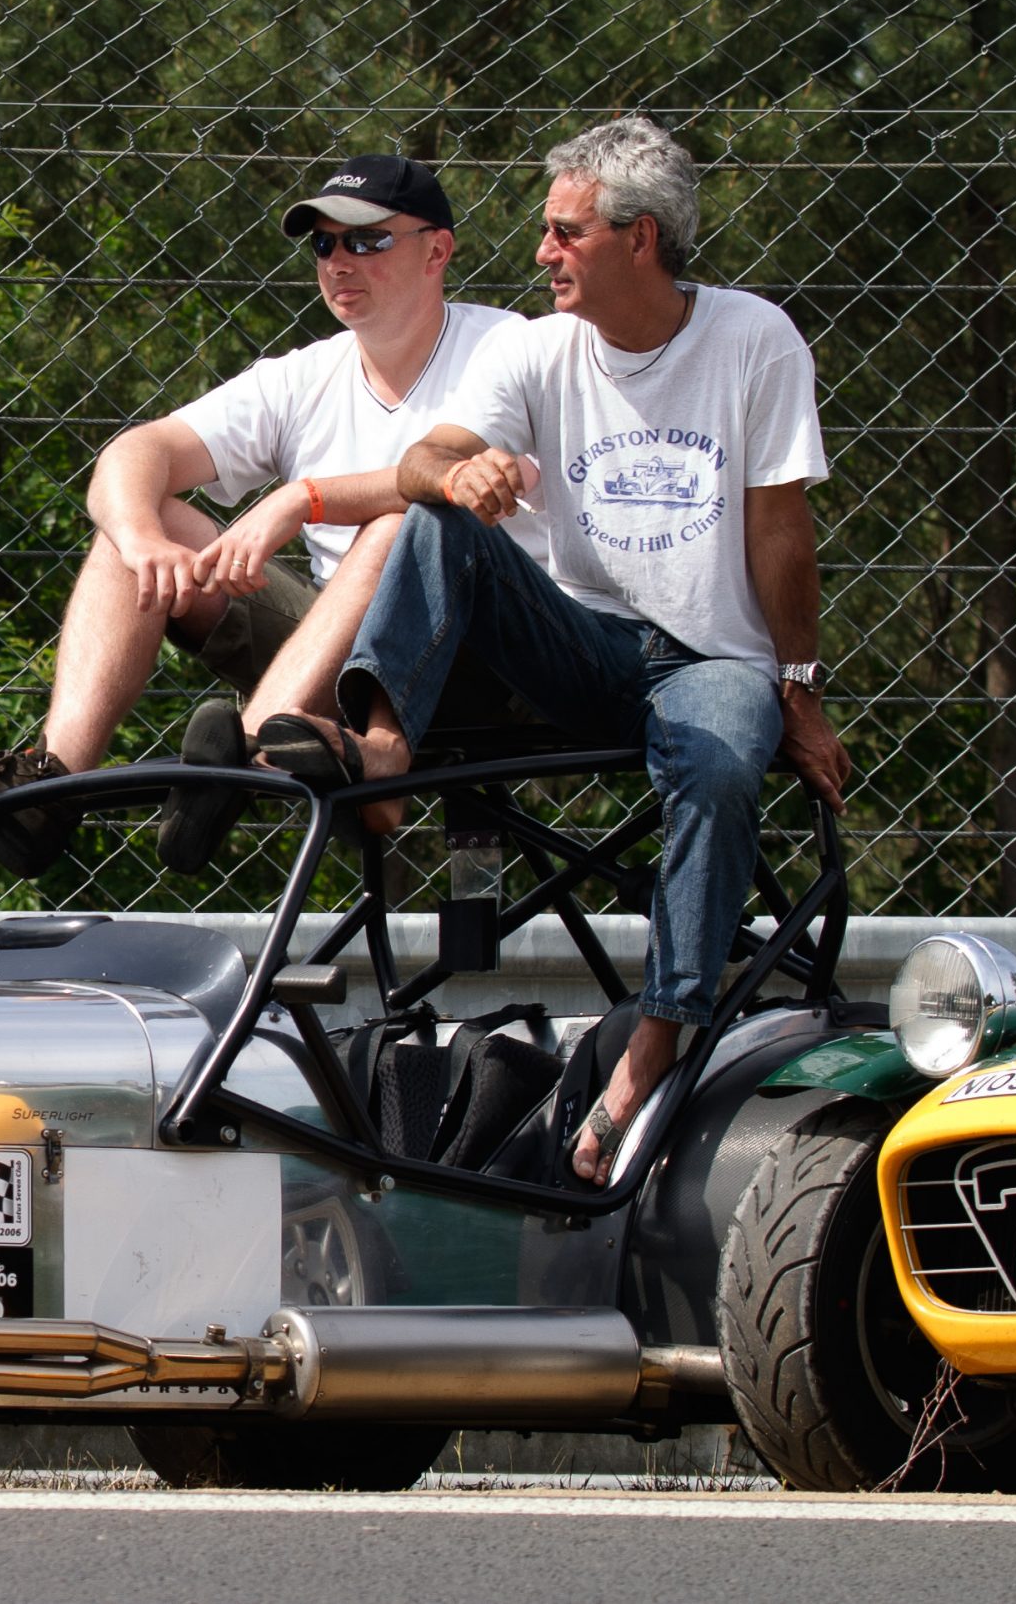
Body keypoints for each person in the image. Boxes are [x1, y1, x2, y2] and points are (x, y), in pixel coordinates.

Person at [256, 115, 850, 1184]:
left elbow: (778, 532)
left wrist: (797, 693)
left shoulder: (753, 339)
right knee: (438, 520)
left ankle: (657, 1035)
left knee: (717, 764)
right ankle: (382, 746)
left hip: (713, 661)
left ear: (642, 238)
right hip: (584, 646)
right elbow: (430, 453)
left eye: (564, 232)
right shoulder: (536, 348)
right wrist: (455, 473)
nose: (541, 253)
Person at [0, 155, 534, 875]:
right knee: (139, 524)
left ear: (437, 250)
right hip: (338, 655)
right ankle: (47, 790)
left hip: (485, 658)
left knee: (395, 531)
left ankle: (233, 772)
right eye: (324, 244)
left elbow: (450, 479)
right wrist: (140, 540)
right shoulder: (306, 375)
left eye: (367, 241)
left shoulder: (507, 351)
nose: (339, 261)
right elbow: (140, 448)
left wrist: (299, 499)